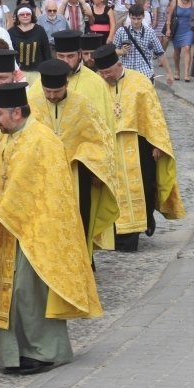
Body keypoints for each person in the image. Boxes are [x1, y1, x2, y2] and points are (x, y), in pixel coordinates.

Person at [0, 82, 102, 374]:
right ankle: (17, 354)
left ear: (16, 112)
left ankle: (47, 352)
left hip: (38, 229)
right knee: (11, 293)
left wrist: (5, 210)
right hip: (12, 227)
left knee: (29, 292)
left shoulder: (42, 139)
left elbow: (44, 188)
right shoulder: (11, 138)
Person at [93, 45, 186, 251]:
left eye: (108, 72)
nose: (105, 76)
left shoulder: (140, 82)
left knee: (143, 186)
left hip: (138, 144)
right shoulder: (96, 84)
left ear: (119, 65)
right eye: (102, 72)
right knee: (112, 191)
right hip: (108, 146)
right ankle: (115, 235)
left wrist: (157, 144)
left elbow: (153, 115)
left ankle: (142, 223)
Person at [32, 60, 119, 258]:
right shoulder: (32, 104)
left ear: (66, 84)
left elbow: (99, 139)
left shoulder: (82, 105)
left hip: (77, 176)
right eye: (48, 91)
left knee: (80, 220)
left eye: (57, 91)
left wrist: (96, 170)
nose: (52, 96)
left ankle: (83, 261)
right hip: (42, 176)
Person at [54, 30, 115, 130]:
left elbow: (104, 121)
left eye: (70, 56)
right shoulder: (43, 81)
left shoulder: (96, 82)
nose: (65, 61)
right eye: (61, 56)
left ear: (79, 55)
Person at [112, 3, 174, 83]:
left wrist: (169, 73)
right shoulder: (121, 31)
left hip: (145, 74)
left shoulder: (150, 32)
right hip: (127, 74)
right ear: (129, 16)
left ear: (143, 16)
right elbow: (113, 51)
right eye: (133, 18)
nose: (136, 21)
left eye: (139, 19)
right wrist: (121, 51)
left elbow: (160, 53)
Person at [166, 0, 194, 82]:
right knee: (177, 50)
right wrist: (168, 29)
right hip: (177, 28)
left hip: (189, 28)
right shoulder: (175, 1)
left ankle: (186, 73)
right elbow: (169, 16)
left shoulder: (193, 3)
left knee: (187, 48)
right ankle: (177, 70)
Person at [9, 6, 52, 74]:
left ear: (32, 16)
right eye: (22, 14)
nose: (25, 16)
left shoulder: (40, 30)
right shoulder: (11, 32)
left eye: (28, 14)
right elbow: (9, 53)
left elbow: (46, 51)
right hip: (18, 72)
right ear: (17, 17)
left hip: (38, 71)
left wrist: (48, 69)